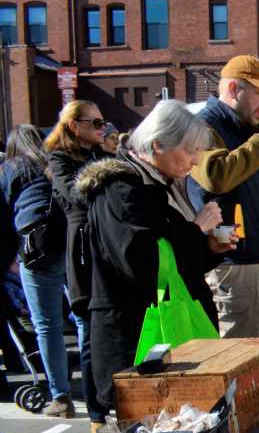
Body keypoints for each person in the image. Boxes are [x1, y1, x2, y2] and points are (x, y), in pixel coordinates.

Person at [79, 100, 234, 416]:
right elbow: (142, 262)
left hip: (164, 335)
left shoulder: (158, 183)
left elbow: (174, 263)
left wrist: (208, 249)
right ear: (157, 144)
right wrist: (196, 229)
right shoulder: (122, 190)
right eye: (189, 151)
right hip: (137, 339)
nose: (194, 161)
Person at [190, 55, 259, 337]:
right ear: (233, 90)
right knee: (240, 363)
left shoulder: (254, 130)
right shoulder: (204, 127)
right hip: (236, 268)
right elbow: (215, 176)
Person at [2, 125, 76, 417]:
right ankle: (100, 389)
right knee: (83, 318)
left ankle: (61, 396)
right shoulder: (55, 163)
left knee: (47, 325)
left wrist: (9, 258)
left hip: (35, 251)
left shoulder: (10, 168)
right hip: (71, 243)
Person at [46, 100, 111, 425]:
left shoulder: (101, 155)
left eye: (103, 123)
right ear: (74, 125)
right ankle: (96, 413)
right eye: (96, 123)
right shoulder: (59, 159)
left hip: (107, 243)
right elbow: (76, 194)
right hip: (83, 248)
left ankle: (113, 402)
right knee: (88, 330)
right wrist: (108, 172)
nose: (103, 128)